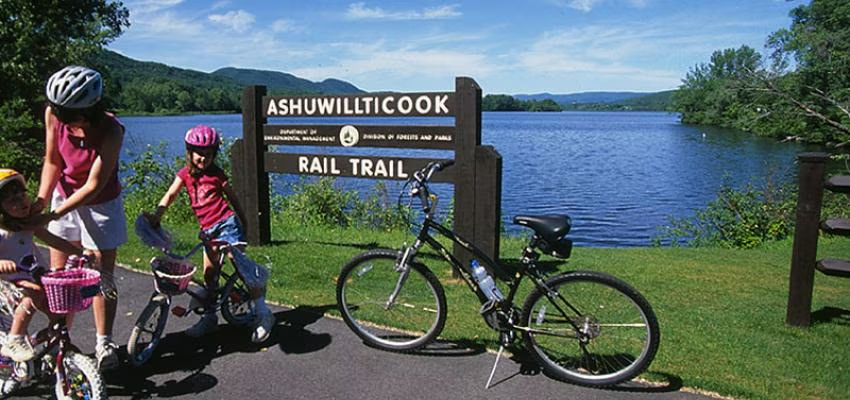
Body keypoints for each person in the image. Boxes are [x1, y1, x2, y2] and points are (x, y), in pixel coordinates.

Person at [25, 65, 126, 370]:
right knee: (59, 275)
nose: (64, 121)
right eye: (60, 113)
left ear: (91, 110)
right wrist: (42, 201)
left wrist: (52, 213)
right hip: (62, 194)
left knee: (100, 276)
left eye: (71, 115)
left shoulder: (111, 130)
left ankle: (104, 342)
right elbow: (52, 160)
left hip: (101, 203)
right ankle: (61, 340)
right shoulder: (53, 115)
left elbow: (94, 185)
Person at [145, 124, 274, 343]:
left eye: (208, 154)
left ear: (214, 154)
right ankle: (209, 318)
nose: (203, 159)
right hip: (208, 231)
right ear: (189, 152)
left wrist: (244, 222)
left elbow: (233, 199)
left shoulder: (216, 175)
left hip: (228, 225)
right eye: (199, 154)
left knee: (239, 263)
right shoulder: (184, 174)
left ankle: (263, 313)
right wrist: (157, 216)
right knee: (209, 276)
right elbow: (169, 195)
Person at [0, 169, 93, 362]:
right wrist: (2, 263)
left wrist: (79, 252)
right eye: (12, 200)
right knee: (34, 292)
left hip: (32, 275)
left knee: (58, 310)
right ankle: (14, 339)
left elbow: (54, 240)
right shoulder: (2, 232)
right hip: (8, 283)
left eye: (22, 195)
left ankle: (52, 342)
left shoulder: (28, 224)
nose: (21, 201)